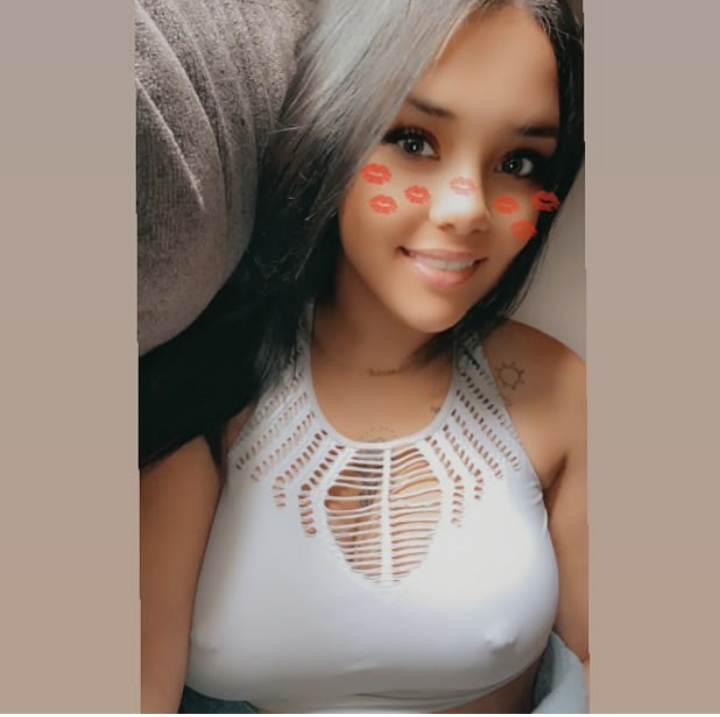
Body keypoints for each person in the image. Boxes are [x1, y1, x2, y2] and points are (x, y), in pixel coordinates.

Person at [140, 0, 587, 712]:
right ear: (333, 129)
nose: (467, 208)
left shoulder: (558, 393)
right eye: (414, 140)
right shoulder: (206, 390)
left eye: (518, 161)